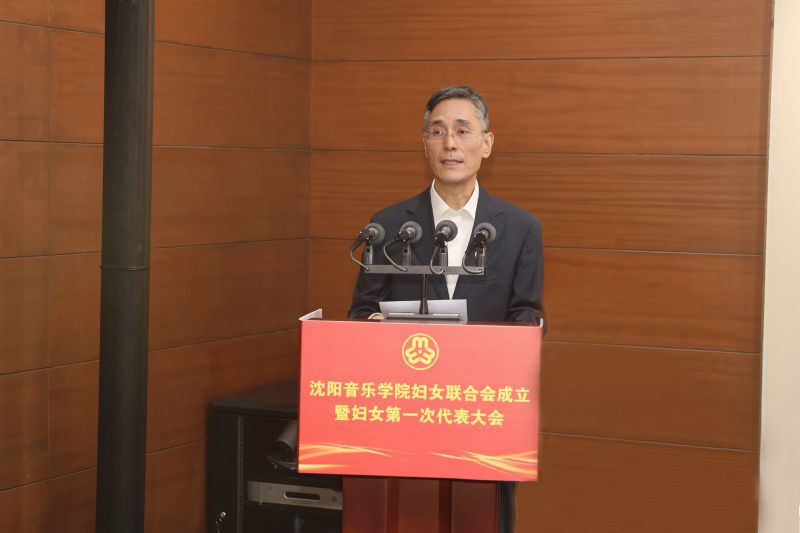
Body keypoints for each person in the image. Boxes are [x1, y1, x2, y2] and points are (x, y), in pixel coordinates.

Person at [348, 85, 544, 533]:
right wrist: (377, 326)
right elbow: (360, 312)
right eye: (437, 132)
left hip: (479, 414)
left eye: (462, 131)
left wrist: (512, 342)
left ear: (486, 143)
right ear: (425, 144)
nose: (450, 143)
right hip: (405, 415)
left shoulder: (520, 229)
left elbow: (527, 313)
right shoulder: (388, 226)